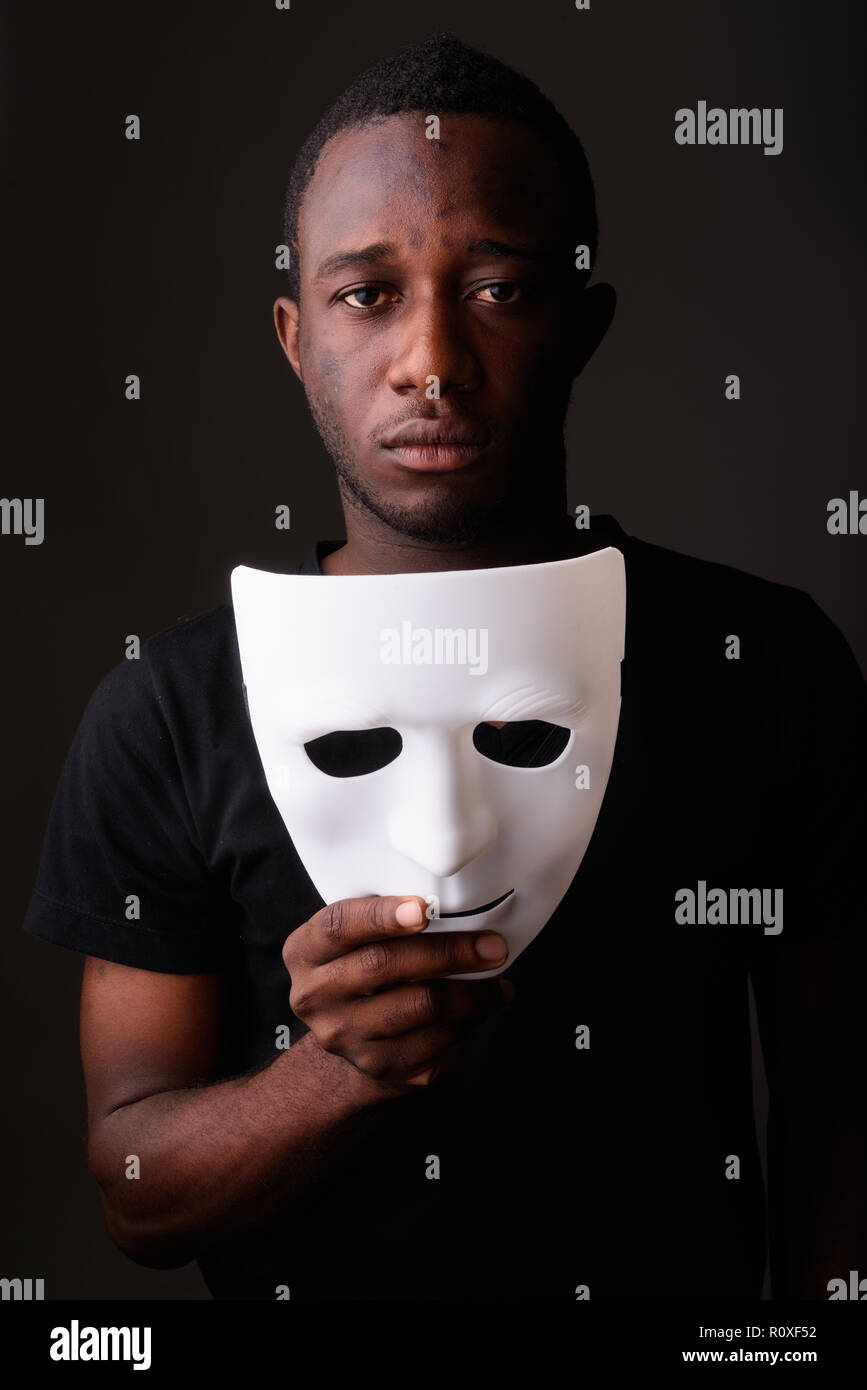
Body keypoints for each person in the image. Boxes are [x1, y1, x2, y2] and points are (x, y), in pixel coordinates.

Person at [23, 31, 866, 1301]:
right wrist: (339, 1070)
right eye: (368, 293)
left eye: (500, 289)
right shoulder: (168, 712)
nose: (432, 359)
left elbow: (844, 1108)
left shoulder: (764, 665)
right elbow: (134, 1192)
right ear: (296, 335)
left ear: (584, 324)